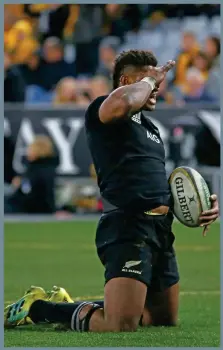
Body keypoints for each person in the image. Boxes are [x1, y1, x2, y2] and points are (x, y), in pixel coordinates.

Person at [5, 50, 219, 332]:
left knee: (163, 318)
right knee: (120, 324)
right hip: (128, 226)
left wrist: (198, 202)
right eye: (148, 81)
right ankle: (39, 307)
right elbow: (123, 102)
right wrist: (146, 83)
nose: (156, 87)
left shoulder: (151, 128)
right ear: (125, 81)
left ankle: (72, 303)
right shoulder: (103, 110)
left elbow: (152, 181)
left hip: (160, 230)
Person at [4, 135, 57, 214]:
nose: (28, 151)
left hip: (31, 210)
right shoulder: (46, 168)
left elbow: (27, 192)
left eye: (31, 148)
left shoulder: (35, 170)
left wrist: (19, 185)